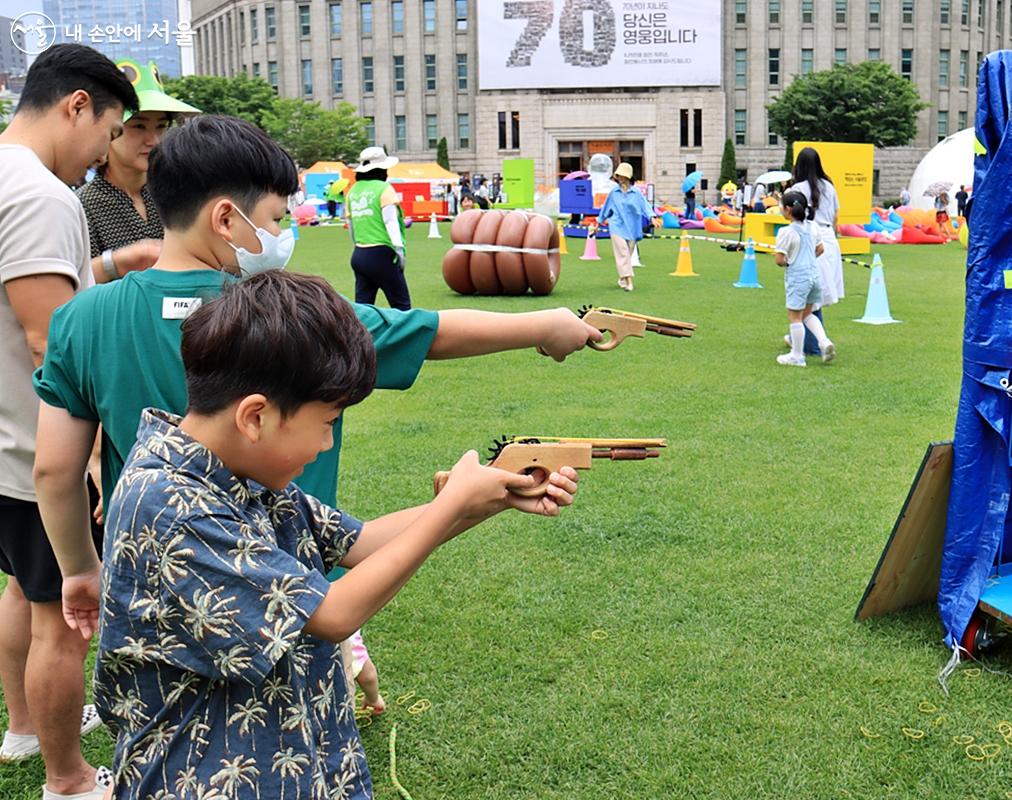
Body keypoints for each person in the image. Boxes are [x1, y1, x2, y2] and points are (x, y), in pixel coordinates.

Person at [32, 114, 602, 648]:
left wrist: (80, 568)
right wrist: (544, 326)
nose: (283, 233)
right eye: (277, 218)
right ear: (227, 218)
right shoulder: (292, 316)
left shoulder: (81, 318)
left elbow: (55, 469)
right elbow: (431, 332)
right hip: (292, 592)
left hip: (157, 596)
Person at [93, 269, 581, 798]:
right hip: (213, 779)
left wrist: (493, 495)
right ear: (255, 416)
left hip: (301, 764)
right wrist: (452, 505)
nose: (326, 444)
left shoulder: (241, 473)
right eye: (328, 421)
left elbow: (364, 541)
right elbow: (331, 613)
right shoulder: (170, 505)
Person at [0, 43, 138, 800]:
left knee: (24, 591)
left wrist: (113, 268)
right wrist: (84, 460)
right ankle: (70, 780)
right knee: (60, 616)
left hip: (2, 446)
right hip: (32, 449)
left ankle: (24, 727)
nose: (103, 153)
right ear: (76, 107)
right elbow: (52, 341)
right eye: (109, 130)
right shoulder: (43, 195)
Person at [76, 59, 199, 283]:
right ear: (111, 128)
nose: (153, 140)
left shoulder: (178, 194)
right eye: (139, 126)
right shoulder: (82, 205)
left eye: (161, 126)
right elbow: (70, 282)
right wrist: (116, 261)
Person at [791, 147, 844, 357]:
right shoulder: (829, 187)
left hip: (810, 240)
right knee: (815, 294)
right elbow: (836, 216)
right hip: (829, 240)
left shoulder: (797, 188)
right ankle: (802, 339)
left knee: (806, 295)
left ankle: (814, 344)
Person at [774, 190, 835, 368]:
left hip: (798, 277)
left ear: (787, 209)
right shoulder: (812, 226)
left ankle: (797, 355)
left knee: (795, 317)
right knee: (808, 313)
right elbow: (820, 249)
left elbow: (779, 260)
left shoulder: (786, 232)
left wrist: (789, 262)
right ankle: (823, 342)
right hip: (814, 275)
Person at [347, 146, 410, 309]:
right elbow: (390, 221)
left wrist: (356, 245)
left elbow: (351, 225)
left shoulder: (353, 191)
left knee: (364, 308)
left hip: (359, 254)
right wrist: (399, 248)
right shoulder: (384, 189)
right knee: (401, 305)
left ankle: (360, 335)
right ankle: (407, 335)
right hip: (381, 254)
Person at [597, 162, 653, 292]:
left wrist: (652, 217)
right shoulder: (613, 193)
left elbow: (645, 206)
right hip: (616, 226)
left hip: (632, 228)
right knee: (622, 253)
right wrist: (598, 224)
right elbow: (605, 209)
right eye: (618, 175)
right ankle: (629, 281)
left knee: (627, 253)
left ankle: (622, 277)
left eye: (622, 175)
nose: (619, 178)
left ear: (628, 177)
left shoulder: (636, 193)